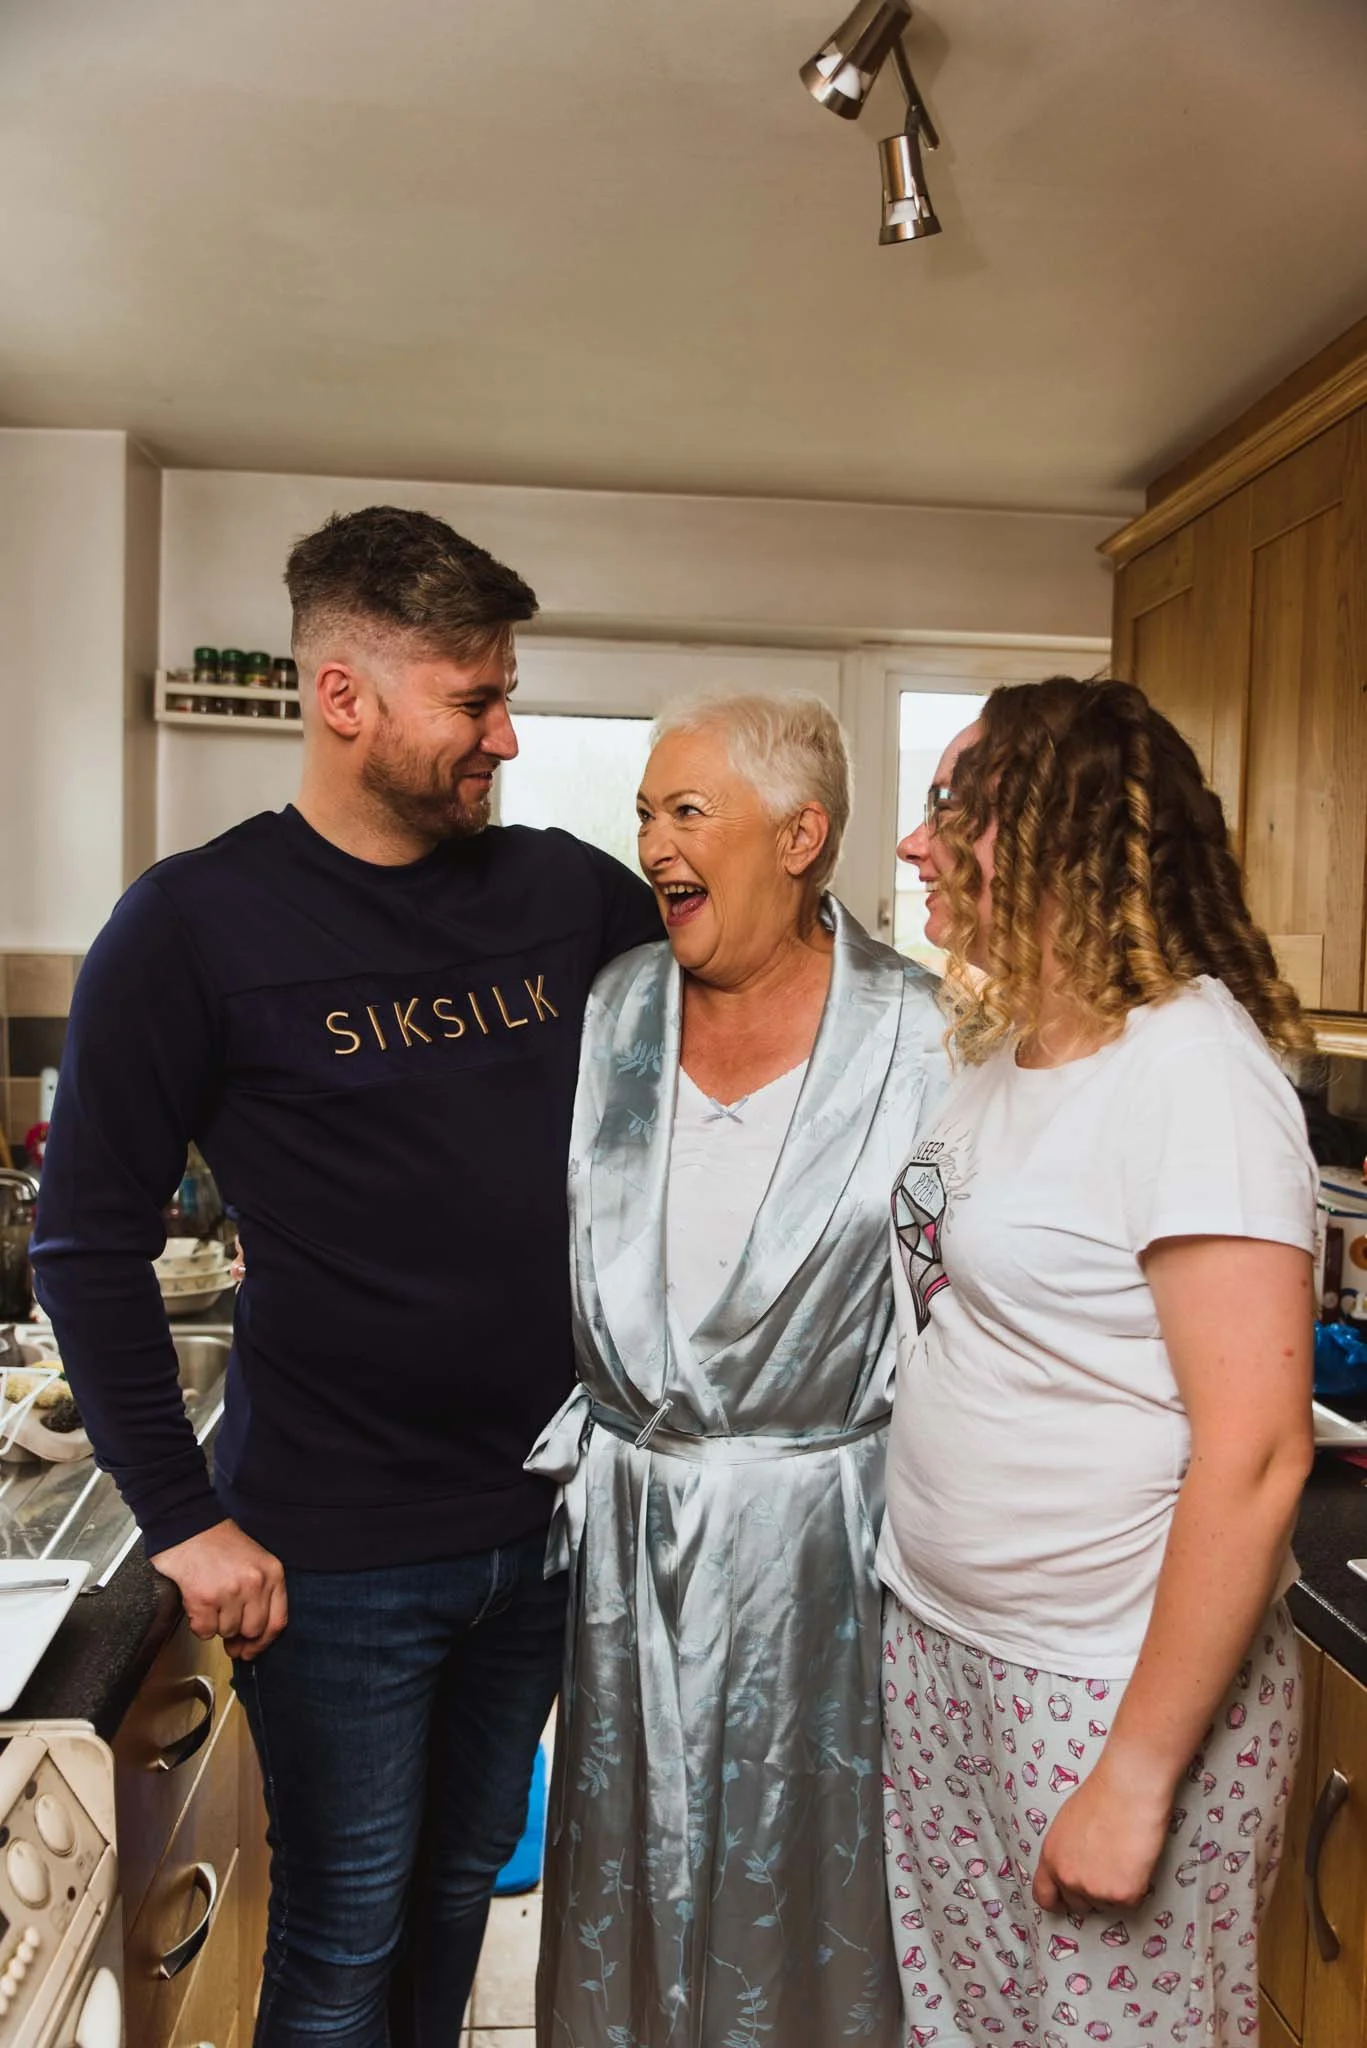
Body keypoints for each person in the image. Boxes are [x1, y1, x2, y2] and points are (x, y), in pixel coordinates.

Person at [31, 506, 661, 2047]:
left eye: (505, 694)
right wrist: (183, 1519)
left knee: (460, 1892)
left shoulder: (567, 897)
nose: (504, 736)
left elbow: (728, 1064)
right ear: (345, 698)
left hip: (544, 1518)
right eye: (474, 699)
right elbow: (84, 1240)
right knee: (344, 1925)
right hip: (337, 1552)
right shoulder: (191, 926)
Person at [878, 678, 1317, 2048]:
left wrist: (1133, 1775)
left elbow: (1254, 1450)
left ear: (1062, 829)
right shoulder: (1009, 1056)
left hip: (1101, 1683)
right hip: (951, 1649)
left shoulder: (1189, 1072)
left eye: (951, 803)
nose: (913, 842)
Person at [528, 692, 948, 2048]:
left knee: (810, 1885)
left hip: (821, 1553)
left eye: (686, 810)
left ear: (800, 835)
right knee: (624, 1882)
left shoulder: (926, 1039)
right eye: (646, 811)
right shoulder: (614, 1011)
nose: (652, 839)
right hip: (627, 1532)